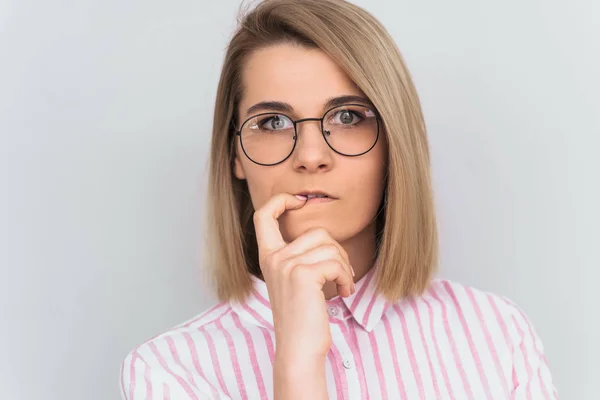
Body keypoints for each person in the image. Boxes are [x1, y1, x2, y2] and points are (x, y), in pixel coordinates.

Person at [119, 0, 558, 398]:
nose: (311, 156)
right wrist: (296, 366)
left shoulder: (496, 333)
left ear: (394, 142)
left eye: (349, 117)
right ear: (235, 154)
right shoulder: (170, 373)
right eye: (272, 123)